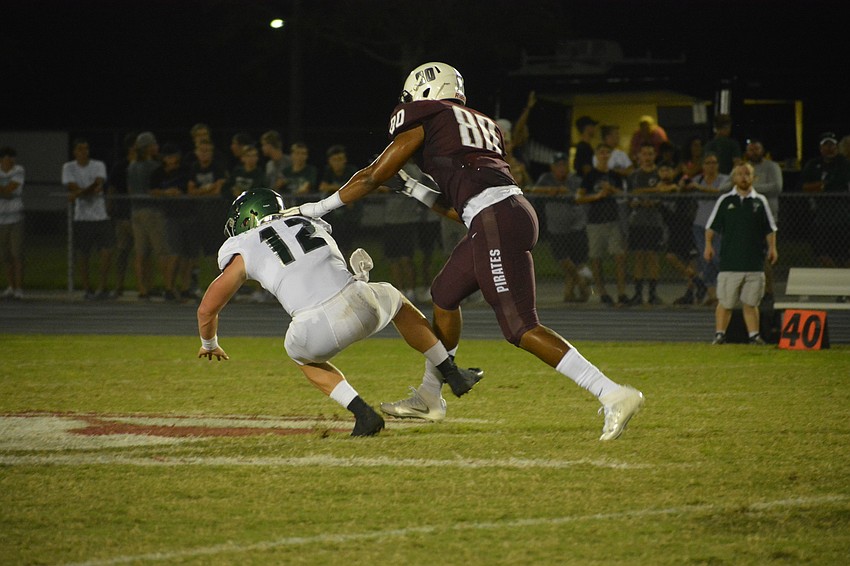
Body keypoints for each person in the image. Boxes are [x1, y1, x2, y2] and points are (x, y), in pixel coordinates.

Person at [284, 62, 644, 440]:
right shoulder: (481, 124)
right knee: (444, 294)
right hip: (505, 213)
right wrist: (412, 189)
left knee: (520, 327)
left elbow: (374, 174)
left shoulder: (427, 114)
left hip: (494, 219)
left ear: (422, 93)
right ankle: (430, 395)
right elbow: (465, 206)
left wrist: (314, 209)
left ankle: (611, 393)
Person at [196, 188, 483, 437]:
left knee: (299, 355)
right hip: (361, 301)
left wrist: (210, 343)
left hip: (316, 327)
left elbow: (207, 309)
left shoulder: (243, 246)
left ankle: (363, 414)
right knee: (396, 300)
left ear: (249, 217)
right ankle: (451, 371)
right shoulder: (306, 219)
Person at [704, 163, 778, 345]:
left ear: (754, 178)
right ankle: (719, 334)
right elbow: (711, 226)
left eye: (747, 174)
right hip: (731, 262)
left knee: (751, 303)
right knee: (726, 302)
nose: (743, 177)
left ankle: (754, 335)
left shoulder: (760, 201)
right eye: (739, 174)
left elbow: (770, 228)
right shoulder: (725, 201)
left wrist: (772, 247)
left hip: (754, 262)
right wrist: (708, 245)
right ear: (733, 178)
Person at [530, 151, 589, 302]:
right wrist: (551, 190)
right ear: (552, 168)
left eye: (564, 165)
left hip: (575, 225)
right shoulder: (546, 179)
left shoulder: (574, 180)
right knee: (562, 259)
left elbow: (580, 195)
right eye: (558, 166)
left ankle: (569, 294)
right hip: (556, 227)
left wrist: (566, 192)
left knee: (575, 260)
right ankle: (582, 284)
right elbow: (533, 190)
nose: (561, 168)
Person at [576, 143, 629, 306]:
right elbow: (579, 197)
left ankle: (621, 293)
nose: (604, 155)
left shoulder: (615, 175)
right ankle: (603, 293)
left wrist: (611, 189)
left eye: (607, 152)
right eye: (601, 152)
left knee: (619, 256)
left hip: (612, 220)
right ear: (596, 155)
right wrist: (597, 196)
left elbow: (624, 195)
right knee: (596, 258)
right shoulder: (590, 175)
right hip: (595, 221)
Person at [62, 138, 113, 300]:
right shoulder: (68, 167)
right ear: (75, 152)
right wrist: (85, 191)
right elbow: (71, 186)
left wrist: (78, 194)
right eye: (80, 149)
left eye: (86, 149)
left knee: (106, 251)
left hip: (100, 216)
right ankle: (87, 289)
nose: (84, 152)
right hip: (82, 217)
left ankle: (101, 287)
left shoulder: (98, 165)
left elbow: (98, 184)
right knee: (83, 254)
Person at [682, 152, 728, 306]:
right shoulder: (698, 179)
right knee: (706, 259)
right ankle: (712, 295)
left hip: (718, 225)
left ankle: (725, 290)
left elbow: (721, 193)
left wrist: (699, 188)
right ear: (703, 166)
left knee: (718, 258)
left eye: (714, 162)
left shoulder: (723, 179)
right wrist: (684, 183)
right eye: (708, 163)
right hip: (700, 225)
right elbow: (684, 188)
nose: (711, 166)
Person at [624, 144, 668, 306]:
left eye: (650, 153)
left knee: (652, 256)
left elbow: (664, 193)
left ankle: (652, 294)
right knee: (639, 257)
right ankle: (637, 293)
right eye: (644, 154)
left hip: (654, 222)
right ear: (639, 156)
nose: (647, 157)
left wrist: (653, 199)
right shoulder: (634, 176)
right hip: (637, 221)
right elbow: (629, 196)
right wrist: (635, 202)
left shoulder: (659, 174)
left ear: (654, 155)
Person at [128, 131, 169, 300]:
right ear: (148, 148)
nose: (156, 147)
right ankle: (169, 287)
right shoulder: (153, 166)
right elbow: (156, 189)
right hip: (152, 211)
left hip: (135, 210)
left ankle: (143, 289)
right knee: (161, 251)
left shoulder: (131, 166)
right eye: (154, 145)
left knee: (141, 253)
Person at [800, 132, 850, 271]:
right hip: (820, 214)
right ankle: (837, 280)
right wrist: (821, 186)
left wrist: (820, 186)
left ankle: (845, 284)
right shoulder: (813, 164)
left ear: (837, 147)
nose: (829, 149)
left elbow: (838, 183)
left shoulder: (843, 163)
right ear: (820, 148)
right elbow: (804, 186)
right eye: (826, 145)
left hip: (842, 216)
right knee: (821, 252)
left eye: (832, 145)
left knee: (845, 254)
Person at [744, 139, 783, 302]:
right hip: (747, 219)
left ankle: (769, 291)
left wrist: (750, 189)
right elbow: (728, 186)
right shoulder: (744, 168)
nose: (754, 152)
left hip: (767, 218)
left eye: (757, 149)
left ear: (762, 150)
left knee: (766, 256)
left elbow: (776, 187)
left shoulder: (771, 167)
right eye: (751, 150)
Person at [149, 142, 189, 300]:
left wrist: (180, 192)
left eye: (173, 156)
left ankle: (184, 288)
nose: (171, 159)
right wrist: (167, 192)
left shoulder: (184, 170)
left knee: (187, 254)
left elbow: (190, 187)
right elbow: (152, 191)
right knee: (173, 253)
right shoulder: (158, 173)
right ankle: (169, 287)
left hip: (186, 214)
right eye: (168, 156)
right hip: (167, 216)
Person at [107, 132, 137, 298]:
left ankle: (144, 287)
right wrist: (110, 206)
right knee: (122, 251)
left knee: (142, 253)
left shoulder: (145, 164)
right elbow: (112, 187)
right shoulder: (121, 166)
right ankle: (119, 286)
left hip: (137, 215)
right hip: (124, 215)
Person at [318, 144, 361, 257]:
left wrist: (333, 188)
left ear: (345, 160)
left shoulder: (351, 171)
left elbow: (354, 188)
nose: (337, 163)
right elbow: (323, 187)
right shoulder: (328, 172)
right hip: (333, 219)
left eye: (340, 159)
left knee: (348, 250)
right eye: (334, 160)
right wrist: (342, 191)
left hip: (350, 218)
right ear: (329, 161)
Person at [0, 146, 25, 300]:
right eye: (8, 158)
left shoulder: (19, 170)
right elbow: (7, 191)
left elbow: (11, 188)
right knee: (5, 256)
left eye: (13, 158)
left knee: (17, 254)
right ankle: (11, 286)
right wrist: (5, 191)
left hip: (15, 217)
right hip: (0, 219)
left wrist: (5, 191)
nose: (11, 161)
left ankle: (19, 288)